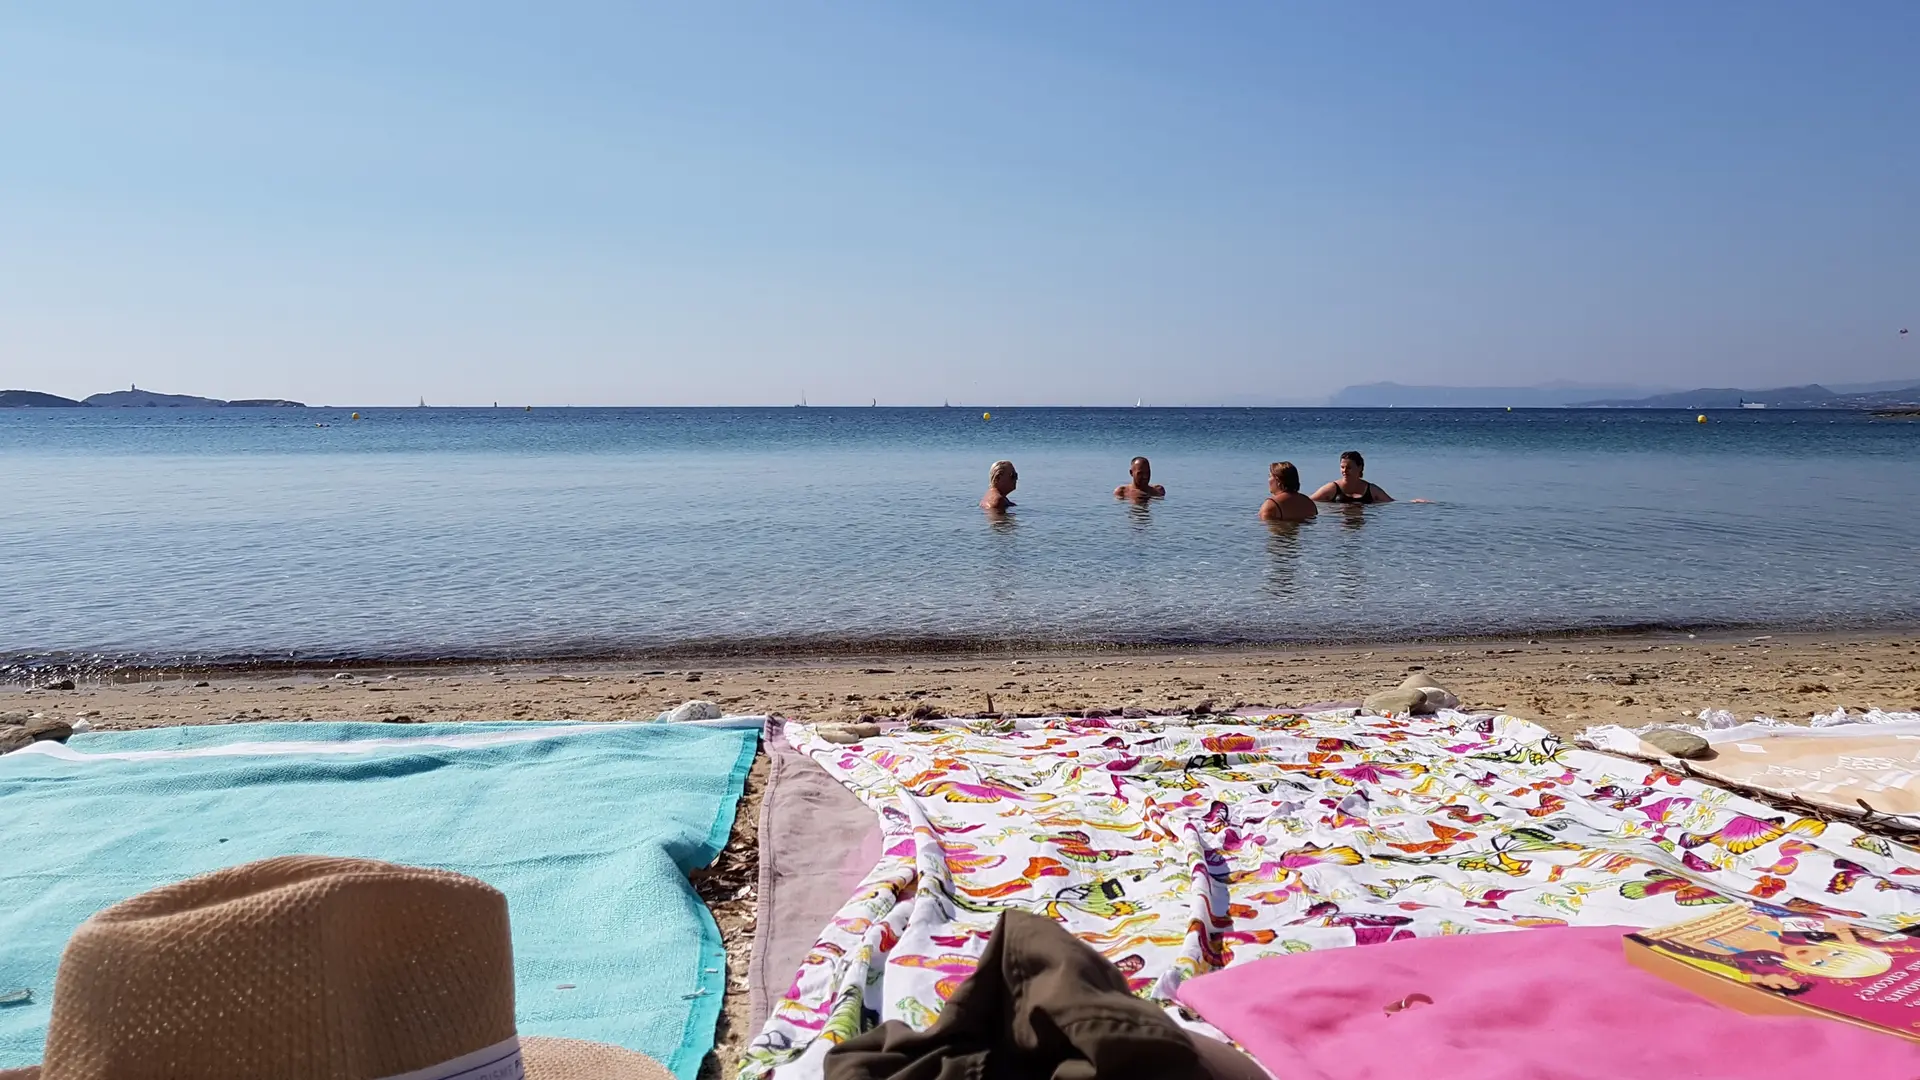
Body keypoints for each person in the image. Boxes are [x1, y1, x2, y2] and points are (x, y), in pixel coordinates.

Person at [1312, 450, 1392, 504]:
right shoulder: (1332, 488)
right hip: (1340, 526)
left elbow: (1391, 503)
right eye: (1342, 467)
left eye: (1349, 468)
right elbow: (1309, 501)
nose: (1345, 471)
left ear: (1359, 468)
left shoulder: (1371, 489)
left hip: (1362, 527)